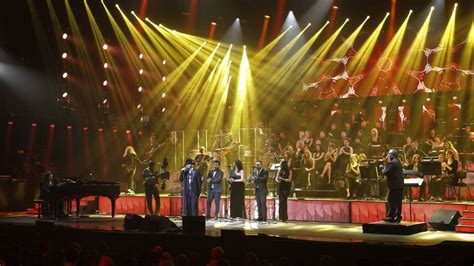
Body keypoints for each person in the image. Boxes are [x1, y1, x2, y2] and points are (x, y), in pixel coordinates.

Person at [380, 149, 404, 223]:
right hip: (399, 185)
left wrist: (382, 167)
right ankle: (397, 217)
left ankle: (390, 217)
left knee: (391, 201)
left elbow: (386, 172)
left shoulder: (392, 163)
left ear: (391, 155)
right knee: (398, 202)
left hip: (394, 186)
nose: (387, 156)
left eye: (388, 155)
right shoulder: (398, 162)